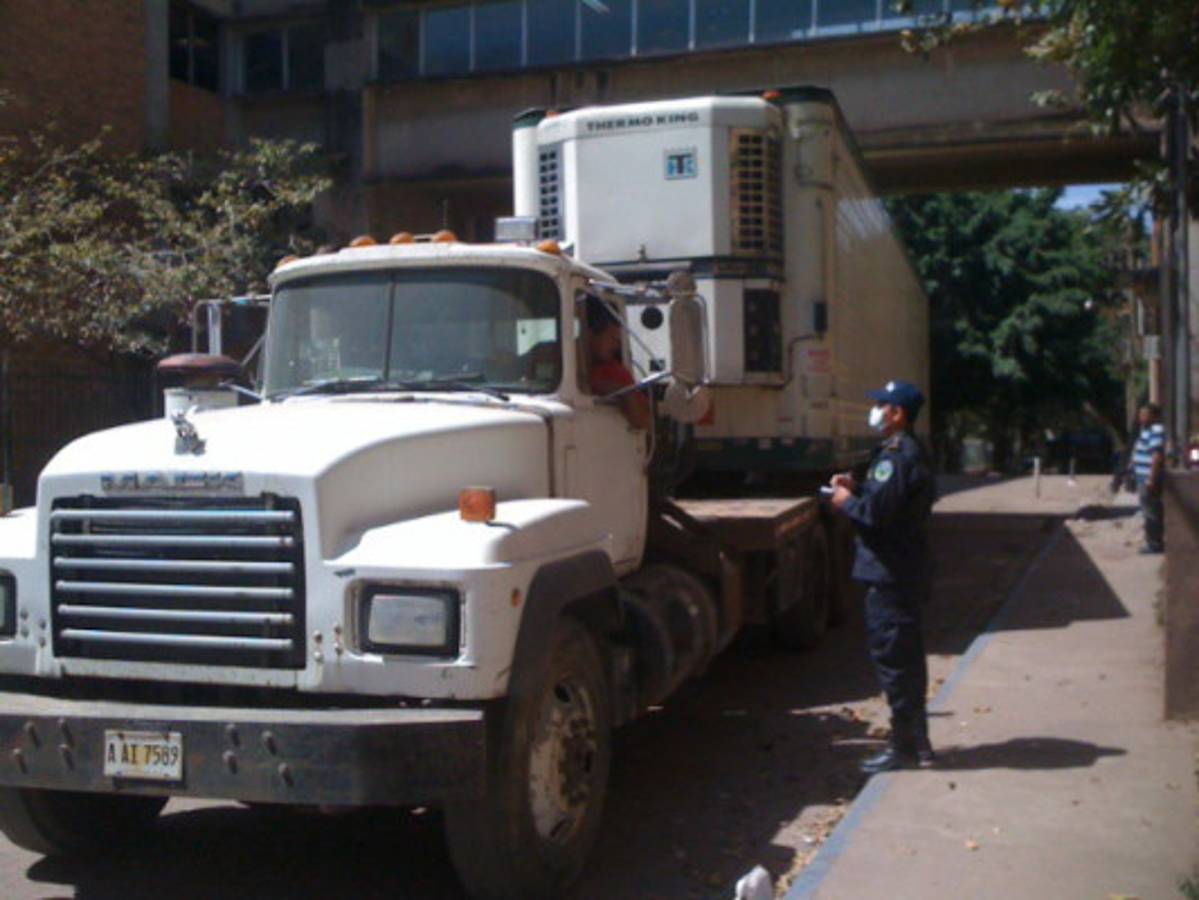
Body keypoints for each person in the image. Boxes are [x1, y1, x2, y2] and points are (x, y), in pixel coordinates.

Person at [828, 379, 936, 774]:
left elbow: (877, 515)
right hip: (901, 569)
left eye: (883, 406)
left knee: (895, 661)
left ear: (898, 414)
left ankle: (905, 748)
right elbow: (887, 500)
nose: (876, 411)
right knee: (905, 658)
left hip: (890, 572)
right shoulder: (902, 452)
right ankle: (917, 744)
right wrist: (857, 488)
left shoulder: (898, 455)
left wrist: (845, 502)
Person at [585, 295, 651, 430]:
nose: (617, 346)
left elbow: (644, 422)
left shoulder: (616, 373)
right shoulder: (553, 360)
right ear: (590, 334)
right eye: (612, 339)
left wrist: (622, 393)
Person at [1130, 403, 1165, 554]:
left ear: (1154, 416)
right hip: (1141, 476)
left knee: (1151, 511)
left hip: (1147, 478)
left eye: (1145, 414)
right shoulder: (1145, 430)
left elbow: (1157, 456)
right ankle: (1152, 541)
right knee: (1147, 510)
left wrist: (1151, 478)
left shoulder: (1156, 430)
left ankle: (1154, 544)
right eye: (1140, 414)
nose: (1141, 417)